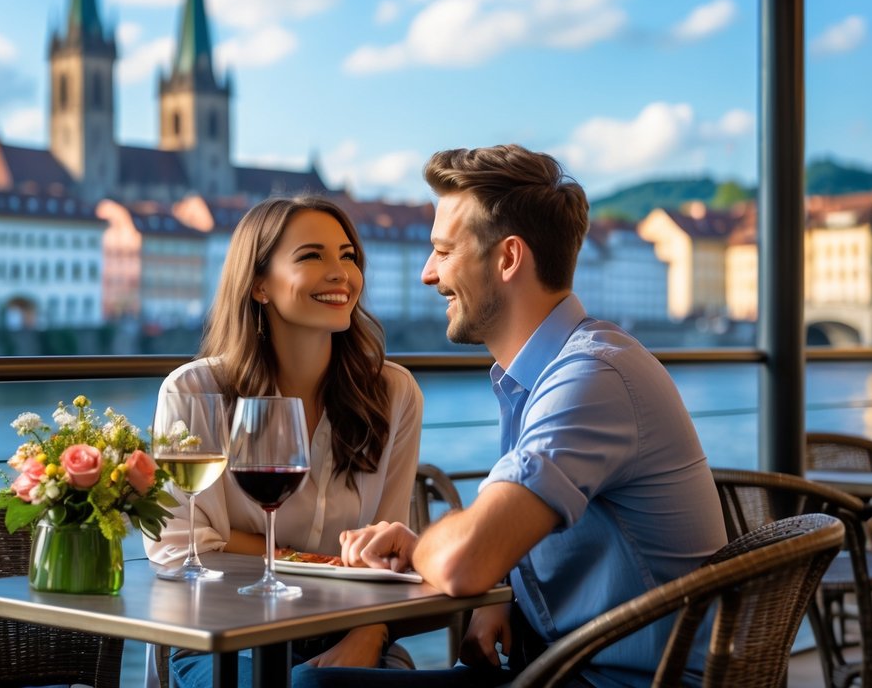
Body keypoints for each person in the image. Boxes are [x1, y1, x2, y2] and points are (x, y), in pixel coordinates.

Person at [297, 146, 727, 688]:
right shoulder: (551, 372)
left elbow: (462, 563)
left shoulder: (591, 379)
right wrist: (506, 584)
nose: (429, 275)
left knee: (310, 684)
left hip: (613, 681)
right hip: (559, 667)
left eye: (443, 251)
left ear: (508, 259)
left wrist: (423, 546)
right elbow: (503, 541)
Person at [145, 195, 424, 688]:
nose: (341, 273)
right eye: (312, 256)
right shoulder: (194, 393)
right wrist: (325, 562)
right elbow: (179, 545)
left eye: (348, 256)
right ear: (258, 285)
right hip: (227, 635)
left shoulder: (394, 392)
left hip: (352, 633)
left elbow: (389, 552)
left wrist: (371, 632)